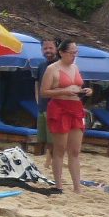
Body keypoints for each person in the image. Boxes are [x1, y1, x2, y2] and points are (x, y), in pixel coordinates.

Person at [40, 39, 93, 194]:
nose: (74, 55)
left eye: (76, 52)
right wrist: (63, 91)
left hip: (76, 107)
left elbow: (78, 86)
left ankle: (77, 187)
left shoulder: (75, 67)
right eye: (71, 52)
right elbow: (44, 92)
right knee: (60, 149)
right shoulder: (52, 69)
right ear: (62, 53)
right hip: (59, 107)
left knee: (75, 150)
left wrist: (87, 91)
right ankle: (58, 185)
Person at [32, 37, 60, 182]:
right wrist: (38, 101)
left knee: (54, 139)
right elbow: (37, 84)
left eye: (50, 48)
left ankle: (53, 163)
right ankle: (48, 163)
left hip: (55, 108)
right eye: (45, 48)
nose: (48, 51)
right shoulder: (41, 66)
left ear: (57, 49)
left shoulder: (61, 65)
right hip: (42, 106)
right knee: (45, 139)